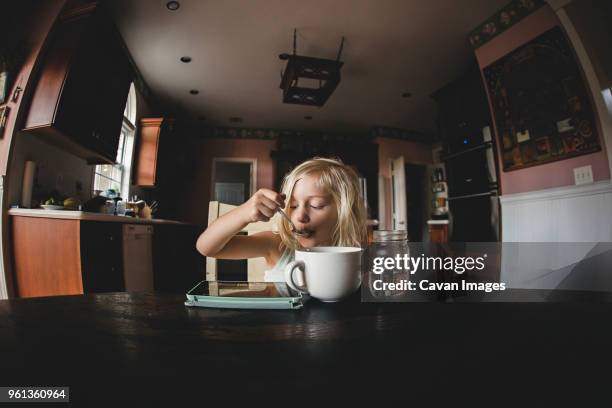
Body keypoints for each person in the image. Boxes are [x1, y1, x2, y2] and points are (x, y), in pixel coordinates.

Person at [196, 157, 367, 283]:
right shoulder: (277, 245)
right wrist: (243, 213)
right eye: (292, 206)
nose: (300, 216)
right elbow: (206, 247)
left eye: (316, 205)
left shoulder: (355, 252)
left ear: (345, 212)